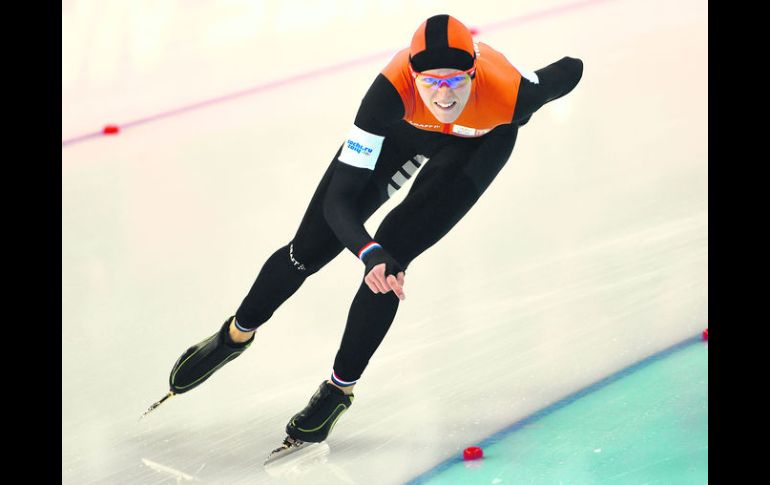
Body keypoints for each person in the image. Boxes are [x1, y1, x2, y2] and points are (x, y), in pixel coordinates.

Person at [166, 14, 583, 451]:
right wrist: (367, 252)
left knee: (393, 256)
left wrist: (523, 87)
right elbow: (339, 201)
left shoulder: (512, 92)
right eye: (432, 83)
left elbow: (570, 69)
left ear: (474, 74)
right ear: (413, 76)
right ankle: (236, 334)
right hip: (405, 130)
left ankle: (338, 390)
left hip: (479, 144)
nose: (444, 96)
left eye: (455, 82)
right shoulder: (387, 93)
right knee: (307, 250)